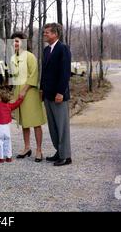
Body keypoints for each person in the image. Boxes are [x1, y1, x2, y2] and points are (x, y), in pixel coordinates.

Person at [10, 32, 47, 162]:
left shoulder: (30, 57)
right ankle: (27, 148)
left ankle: (39, 150)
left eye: (17, 41)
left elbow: (34, 75)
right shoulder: (13, 58)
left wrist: (24, 90)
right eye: (13, 41)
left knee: (35, 122)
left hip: (29, 93)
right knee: (24, 122)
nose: (14, 43)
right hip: (18, 92)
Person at [40, 23, 72, 166]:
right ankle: (59, 152)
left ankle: (66, 156)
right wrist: (42, 89)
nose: (44, 34)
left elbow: (65, 73)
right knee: (53, 126)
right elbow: (44, 72)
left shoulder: (62, 49)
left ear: (55, 34)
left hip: (58, 95)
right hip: (47, 94)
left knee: (62, 126)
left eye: (47, 32)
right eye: (44, 32)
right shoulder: (47, 50)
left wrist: (60, 92)